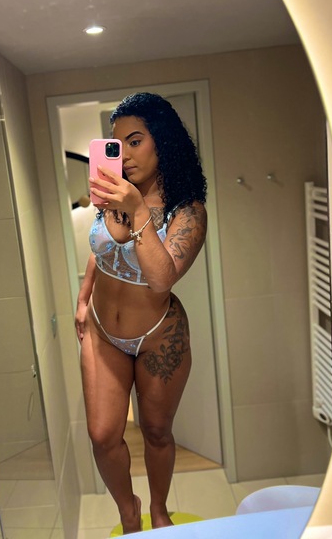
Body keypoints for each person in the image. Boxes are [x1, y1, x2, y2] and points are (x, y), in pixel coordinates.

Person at [75, 92, 208, 533]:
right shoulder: (113, 194)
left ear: (163, 141)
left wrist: (136, 210)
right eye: (118, 145)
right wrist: (83, 297)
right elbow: (100, 248)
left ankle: (159, 507)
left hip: (157, 335)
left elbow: (161, 278)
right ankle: (128, 509)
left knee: (156, 431)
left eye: (135, 141)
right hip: (102, 333)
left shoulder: (187, 212)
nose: (125, 154)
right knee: (102, 436)